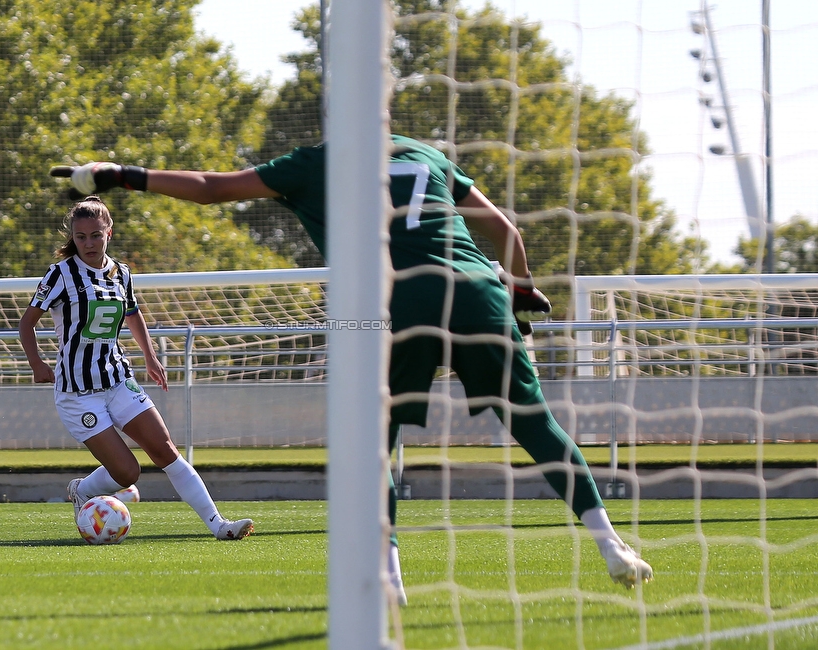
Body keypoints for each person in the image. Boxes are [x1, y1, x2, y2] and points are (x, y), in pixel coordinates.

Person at [49, 134, 653, 600]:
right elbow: (506, 229)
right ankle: (611, 546)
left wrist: (116, 175)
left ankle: (389, 578)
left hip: (399, 301)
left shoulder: (318, 162)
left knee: (376, 443)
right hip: (479, 293)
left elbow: (210, 186)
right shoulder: (424, 154)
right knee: (536, 424)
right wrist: (520, 291)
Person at [18, 196, 253, 541]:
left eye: (95, 235)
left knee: (165, 449)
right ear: (74, 238)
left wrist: (150, 355)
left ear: (109, 233)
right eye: (81, 237)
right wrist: (36, 362)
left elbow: (132, 313)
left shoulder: (121, 272)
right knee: (128, 472)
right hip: (78, 393)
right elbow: (27, 323)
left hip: (117, 379)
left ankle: (219, 525)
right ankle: (83, 489)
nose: (88, 243)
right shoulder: (60, 274)